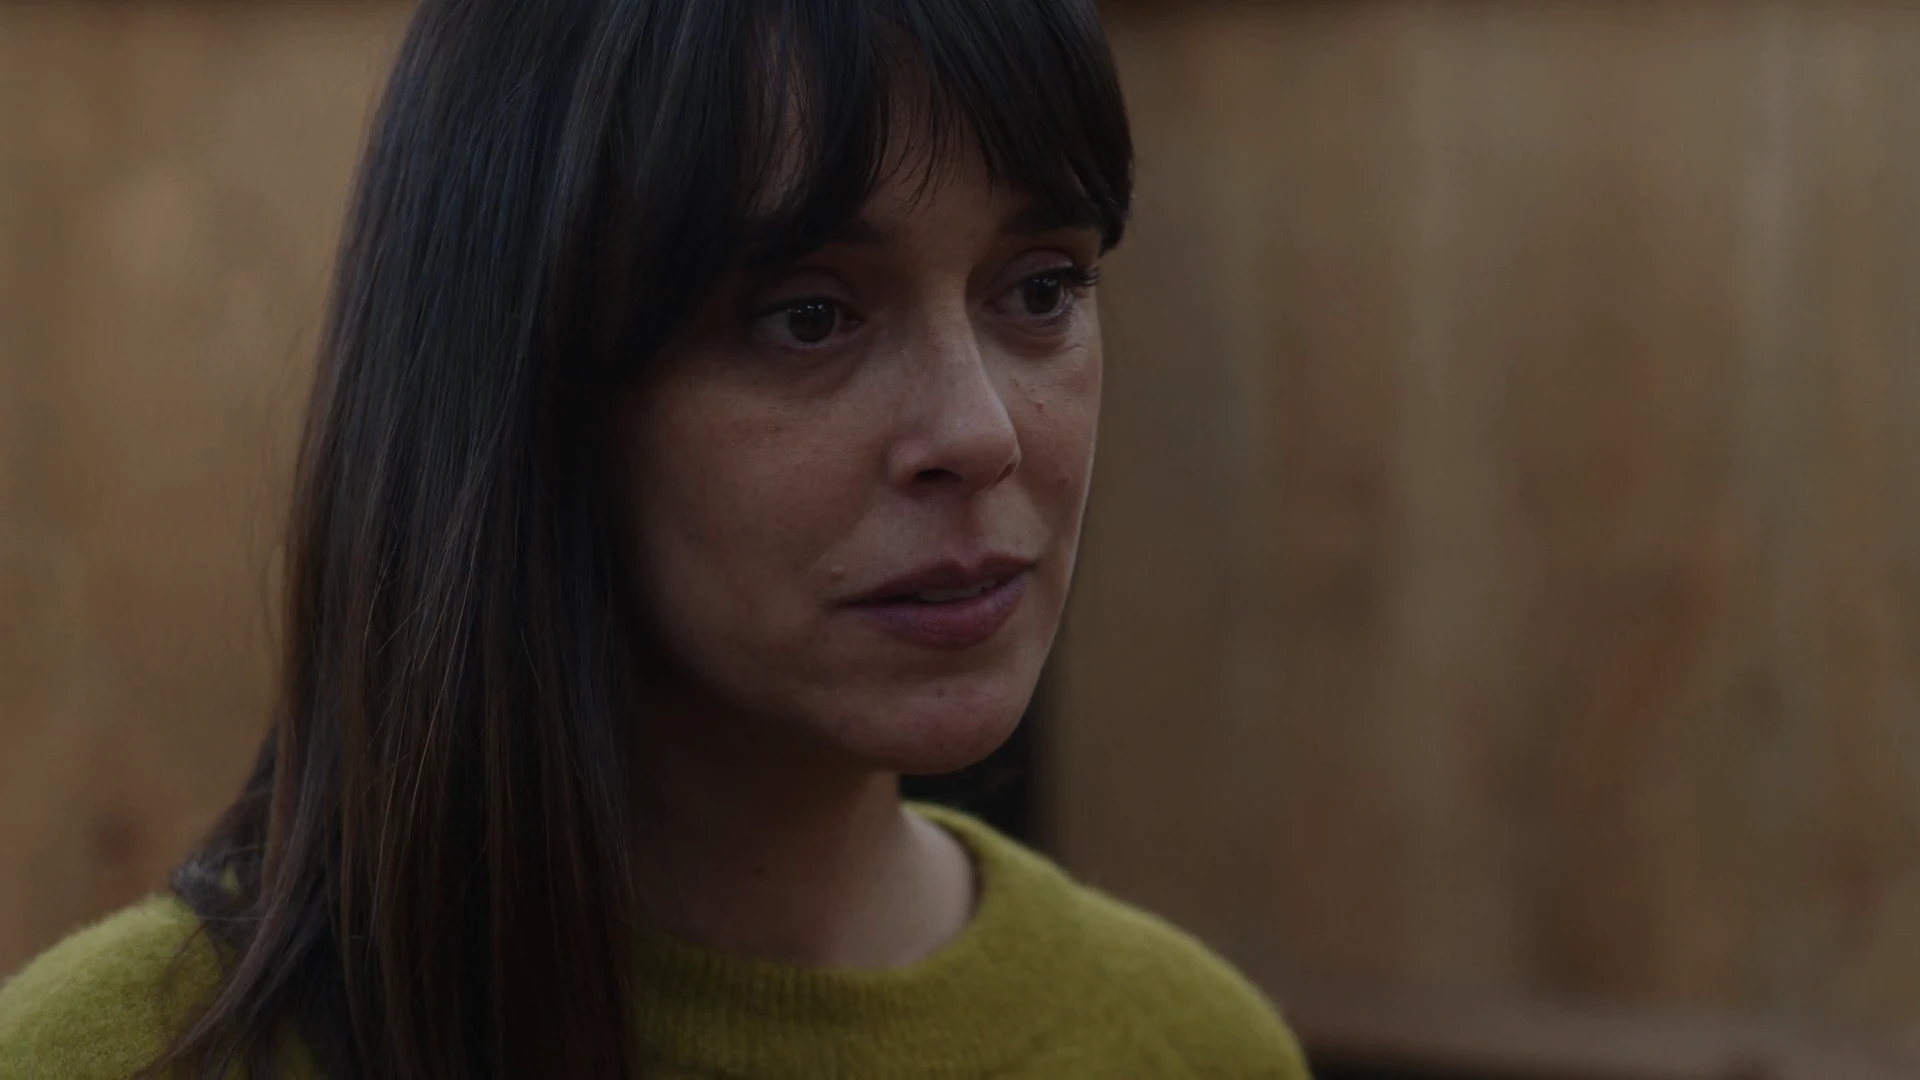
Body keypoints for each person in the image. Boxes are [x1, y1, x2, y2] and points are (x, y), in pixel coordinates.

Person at [0, 0, 1311, 1076]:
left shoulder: (1190, 1047)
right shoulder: (127, 1057)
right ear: (529, 383)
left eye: (1041, 289)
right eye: (808, 317)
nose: (980, 432)